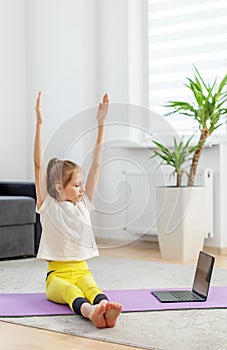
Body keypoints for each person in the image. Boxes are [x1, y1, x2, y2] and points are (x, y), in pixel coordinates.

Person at [34, 91, 122, 328]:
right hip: (56, 277)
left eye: (82, 184)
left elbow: (96, 164)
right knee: (71, 291)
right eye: (76, 185)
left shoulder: (84, 205)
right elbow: (38, 164)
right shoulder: (48, 206)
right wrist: (40, 123)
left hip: (83, 269)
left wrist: (101, 124)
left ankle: (104, 308)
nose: (82, 189)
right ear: (59, 187)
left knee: (92, 287)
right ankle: (92, 312)